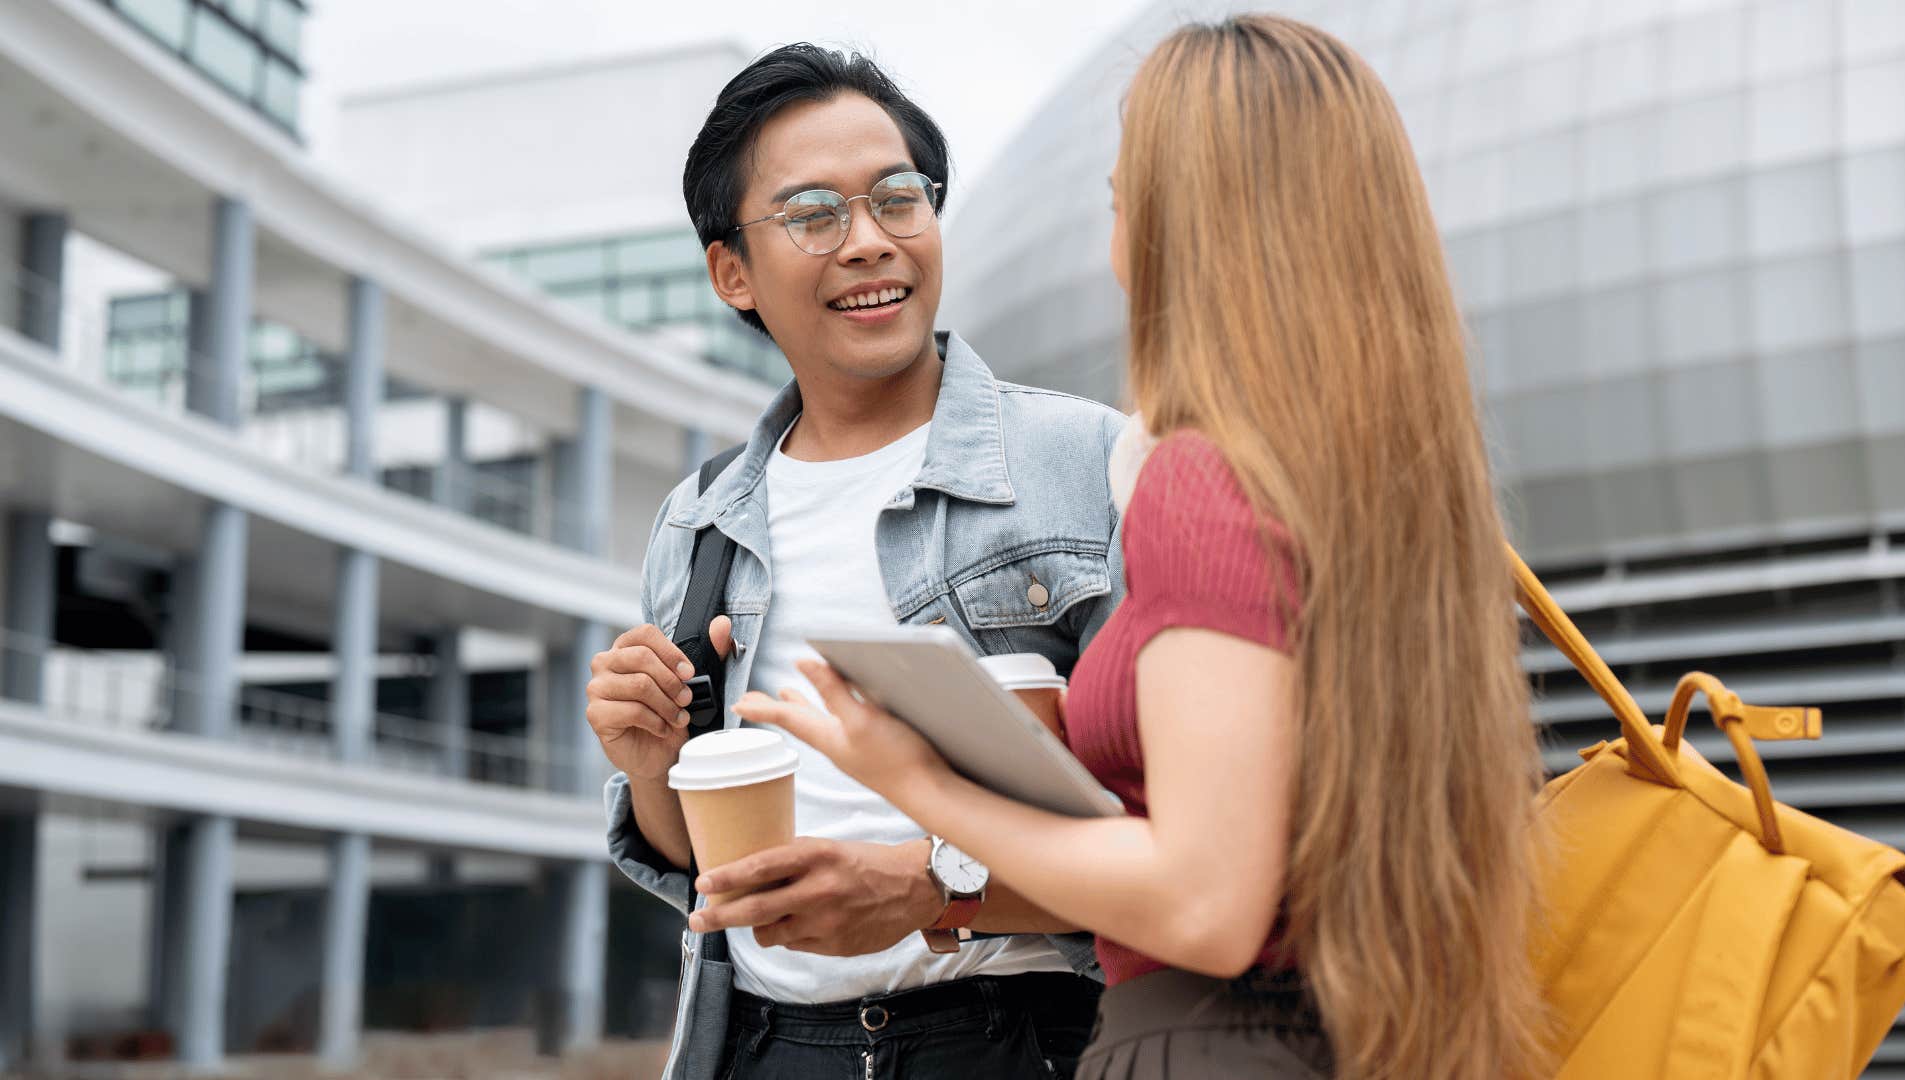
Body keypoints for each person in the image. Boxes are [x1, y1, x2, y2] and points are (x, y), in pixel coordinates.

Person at [734, 16, 1549, 1080]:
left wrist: (919, 782)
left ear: (1185, 226)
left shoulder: (1201, 482)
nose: (1111, 240)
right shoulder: (1388, 494)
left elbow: (1205, 904)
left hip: (1204, 1042)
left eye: (1123, 202)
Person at [585, 44, 1127, 1080]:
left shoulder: (1088, 462)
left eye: (897, 199)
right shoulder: (697, 521)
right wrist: (652, 765)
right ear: (731, 273)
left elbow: (1171, 841)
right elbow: (702, 860)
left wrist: (933, 885)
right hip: (762, 1046)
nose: (870, 243)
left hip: (1020, 1036)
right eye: (813, 215)